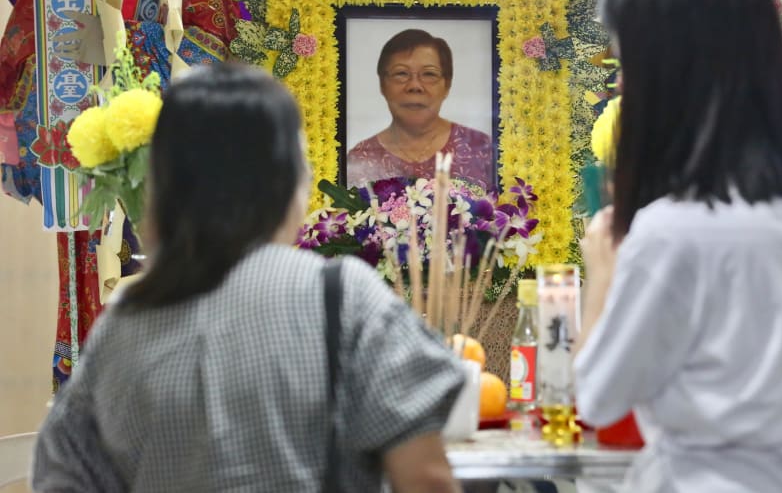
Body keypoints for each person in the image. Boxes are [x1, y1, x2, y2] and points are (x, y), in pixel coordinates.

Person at [32, 62, 465, 493]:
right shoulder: (343, 296)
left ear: (164, 188)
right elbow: (425, 479)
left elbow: (60, 478)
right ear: (291, 177)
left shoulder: (123, 326)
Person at [574, 0, 782, 492]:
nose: (620, 84)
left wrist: (603, 271)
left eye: (627, 63)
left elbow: (597, 397)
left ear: (669, 72)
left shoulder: (673, 230)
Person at [346, 29, 494, 190]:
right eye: (401, 73)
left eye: (429, 74)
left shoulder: (481, 148)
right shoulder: (361, 156)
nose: (414, 86)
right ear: (382, 84)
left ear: (447, 85)